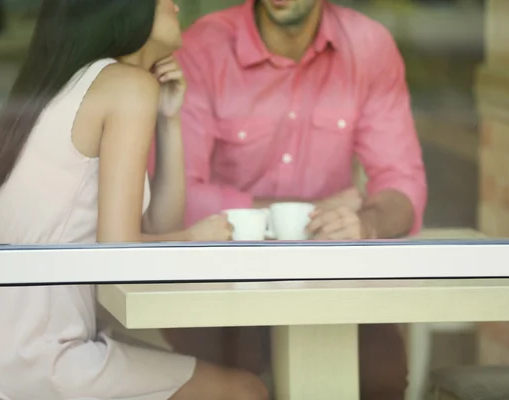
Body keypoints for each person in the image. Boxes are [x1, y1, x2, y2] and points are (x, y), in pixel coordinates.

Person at [0, 0, 267, 399]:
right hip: (38, 357)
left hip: (17, 348)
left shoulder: (83, 82)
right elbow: (122, 257)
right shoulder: (124, 85)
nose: (175, 4)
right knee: (246, 390)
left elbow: (157, 228)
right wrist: (194, 239)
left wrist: (169, 121)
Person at [161, 0, 428, 399]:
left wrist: (366, 223)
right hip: (223, 276)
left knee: (381, 375)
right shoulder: (202, 47)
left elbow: (403, 184)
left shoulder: (369, 45)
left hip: (330, 278)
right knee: (234, 380)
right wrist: (301, 215)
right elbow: (179, 197)